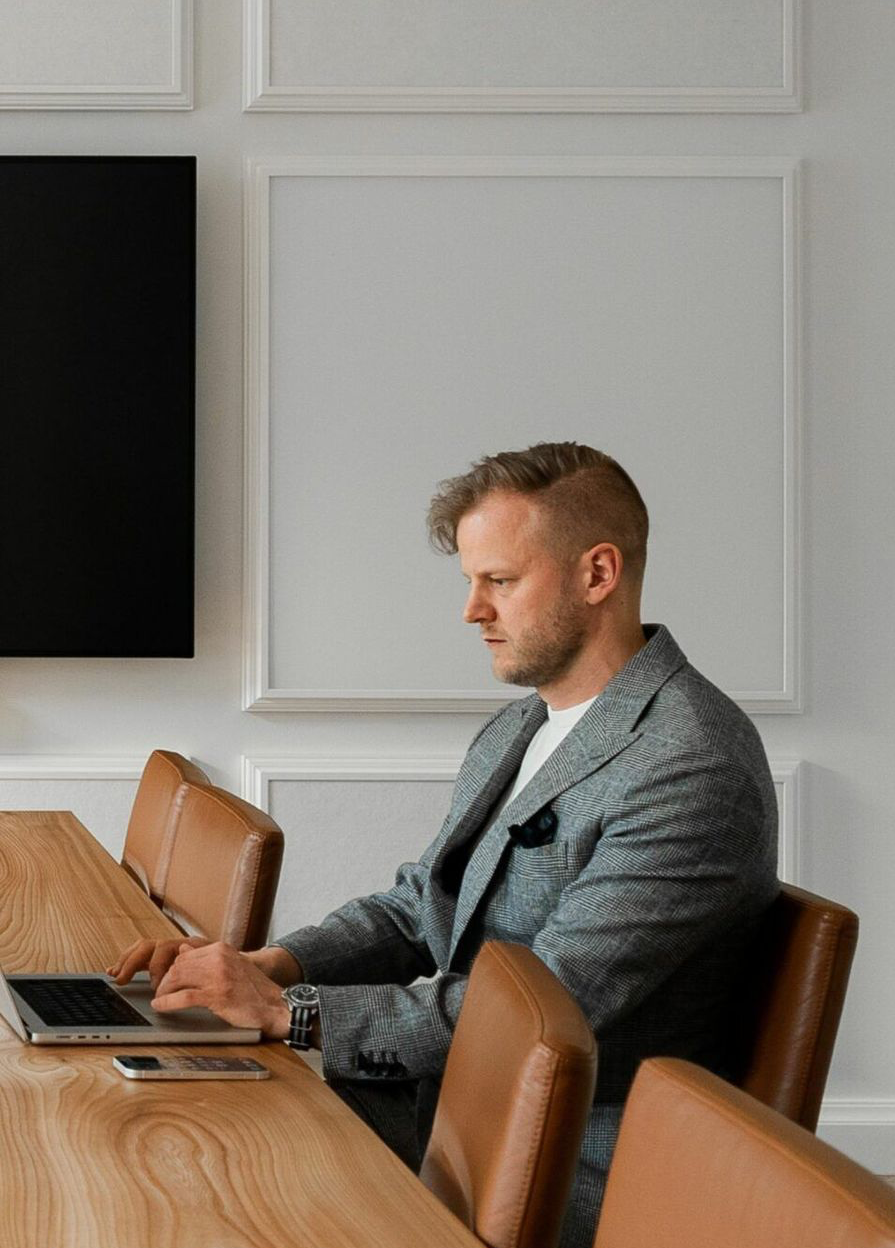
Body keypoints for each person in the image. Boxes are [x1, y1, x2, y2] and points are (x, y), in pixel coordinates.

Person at [113, 442, 778, 1247]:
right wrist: (273, 967)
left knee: (181, 1162)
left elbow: (544, 1012)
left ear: (597, 575)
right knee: (146, 1115)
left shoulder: (689, 763)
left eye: (499, 581)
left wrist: (293, 1015)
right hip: (449, 1103)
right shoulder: (524, 725)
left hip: (550, 1161)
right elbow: (416, 906)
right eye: (472, 582)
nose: (472, 610)